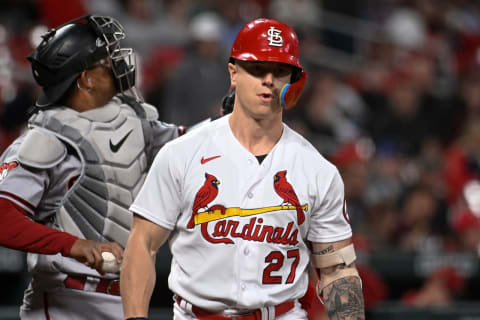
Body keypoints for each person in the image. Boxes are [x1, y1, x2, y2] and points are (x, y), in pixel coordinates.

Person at [122, 18, 365, 320]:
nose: (269, 80)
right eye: (257, 68)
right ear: (233, 72)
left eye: (279, 71)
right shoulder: (182, 153)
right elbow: (142, 244)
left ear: (293, 80)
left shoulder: (317, 170)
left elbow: (337, 269)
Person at [0, 15, 187, 319]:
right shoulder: (45, 138)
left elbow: (192, 145)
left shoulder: (133, 121)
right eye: (106, 59)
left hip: (128, 297)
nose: (118, 63)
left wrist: (231, 122)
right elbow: (2, 219)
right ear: (86, 78)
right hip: (66, 302)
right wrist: (71, 244)